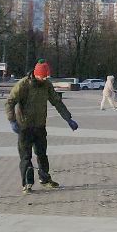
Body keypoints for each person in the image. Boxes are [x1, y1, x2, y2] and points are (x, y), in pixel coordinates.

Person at [6, 60, 78, 193]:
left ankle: (45, 179)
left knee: (42, 154)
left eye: (46, 77)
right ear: (36, 74)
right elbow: (10, 102)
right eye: (42, 76)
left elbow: (56, 101)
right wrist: (12, 120)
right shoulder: (23, 85)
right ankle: (27, 183)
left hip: (39, 126)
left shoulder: (46, 85)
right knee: (26, 157)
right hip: (25, 127)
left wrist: (68, 119)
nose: (44, 79)